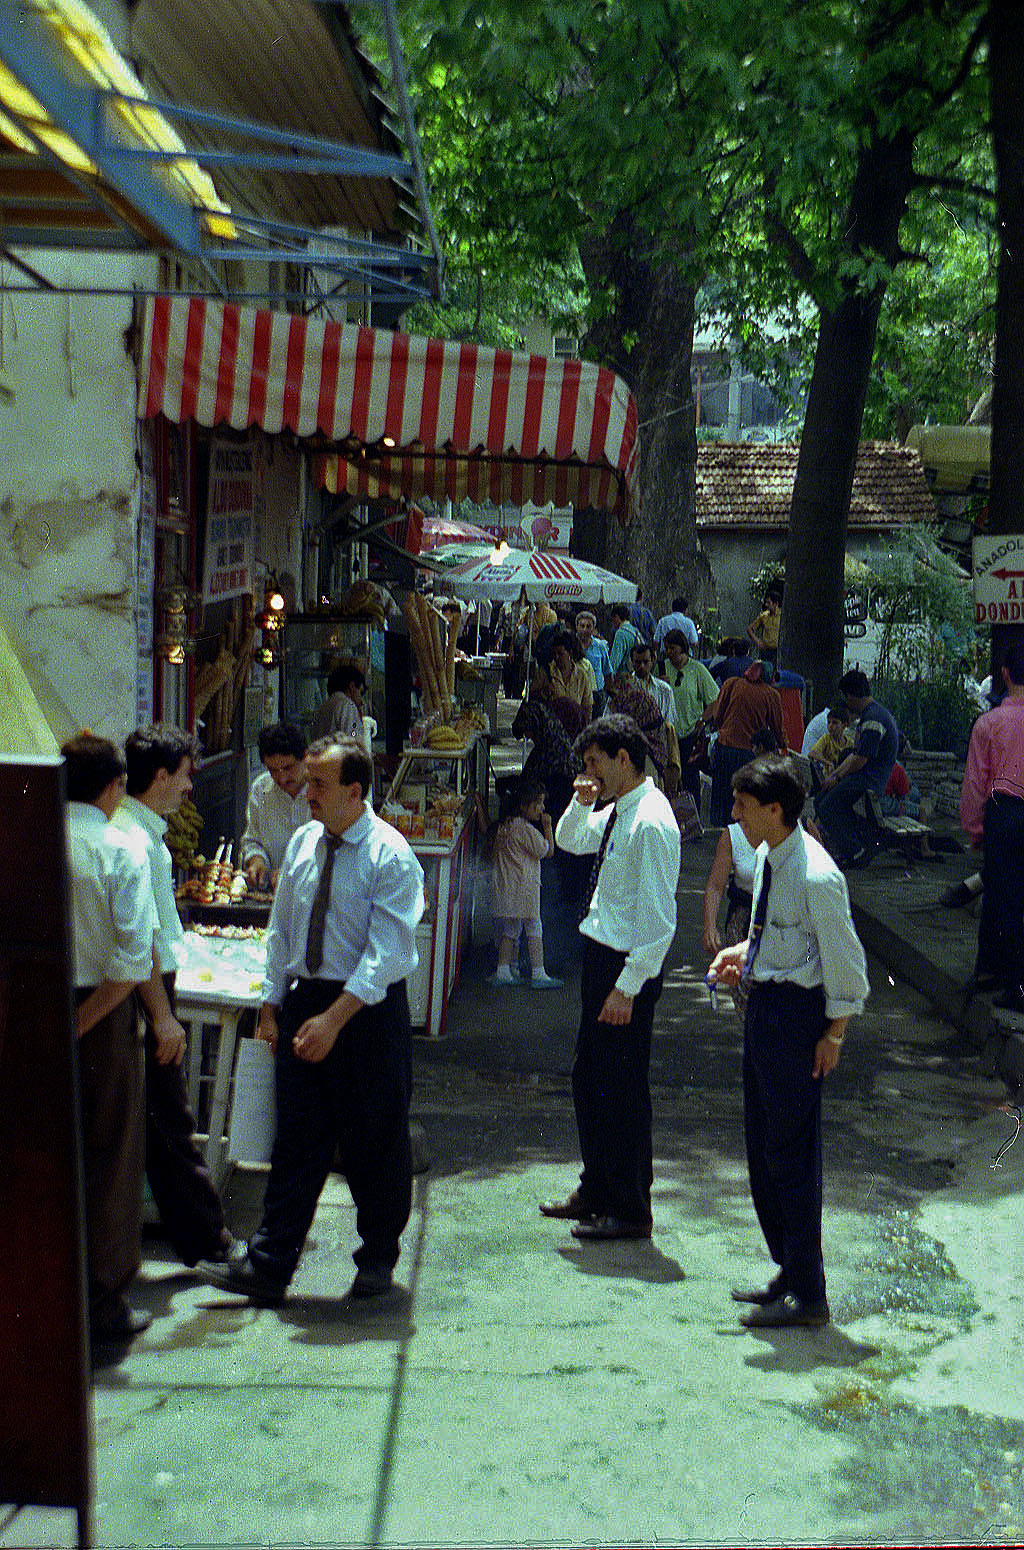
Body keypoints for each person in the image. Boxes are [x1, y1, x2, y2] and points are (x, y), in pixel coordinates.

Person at [196, 734, 425, 1302]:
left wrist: (334, 1021)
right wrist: (271, 1009)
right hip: (305, 1002)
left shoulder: (390, 855)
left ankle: (376, 1258)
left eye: (319, 783)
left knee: (375, 1138)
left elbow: (387, 954)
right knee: (297, 1139)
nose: (307, 792)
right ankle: (270, 1263)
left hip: (365, 1013)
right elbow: (280, 935)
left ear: (355, 791)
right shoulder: (303, 843)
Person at [708, 754, 868, 1329]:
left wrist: (835, 1035)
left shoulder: (818, 876)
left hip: (801, 1021)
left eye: (743, 807)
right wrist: (742, 959)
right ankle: (788, 1269)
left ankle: (809, 1292)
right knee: (764, 1150)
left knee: (792, 1158)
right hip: (766, 1009)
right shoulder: (767, 854)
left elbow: (847, 966)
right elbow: (771, 937)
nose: (735, 816)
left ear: (774, 810)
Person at [541, 715, 681, 1240]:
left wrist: (629, 985)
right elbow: (570, 840)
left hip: (627, 967)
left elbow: (659, 919)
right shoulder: (620, 810)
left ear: (624, 758)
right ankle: (597, 1185)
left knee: (622, 1088)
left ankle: (630, 1206)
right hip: (602, 956)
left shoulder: (651, 821)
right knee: (590, 1078)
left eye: (595, 763)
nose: (590, 773)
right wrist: (580, 799)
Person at [111, 724, 236, 1269]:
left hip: (150, 983)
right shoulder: (138, 843)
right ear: (160, 776)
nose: (191, 788)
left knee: (163, 1121)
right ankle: (210, 1242)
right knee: (171, 1119)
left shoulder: (144, 835)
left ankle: (201, 1237)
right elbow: (141, 943)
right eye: (186, 776)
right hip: (147, 987)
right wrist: (163, 1017)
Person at [63, 733, 157, 1352]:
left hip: (38, 1007)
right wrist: (79, 1025)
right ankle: (103, 1301)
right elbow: (131, 962)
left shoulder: (28, 834)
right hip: (99, 1016)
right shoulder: (123, 846)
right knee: (112, 1158)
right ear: (115, 786)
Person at [960, 638, 1024, 1014]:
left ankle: (1011, 983)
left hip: (1006, 813)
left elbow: (976, 784)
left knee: (1007, 900)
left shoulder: (989, 723)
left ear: (1003, 674)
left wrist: (976, 830)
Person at [814, 669, 899, 868]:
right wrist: (834, 775)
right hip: (861, 775)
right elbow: (854, 755)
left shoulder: (873, 719)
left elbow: (859, 760)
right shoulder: (870, 715)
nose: (844, 701)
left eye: (844, 696)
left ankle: (856, 851)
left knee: (827, 806)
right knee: (820, 800)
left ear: (850, 695)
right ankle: (853, 847)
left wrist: (836, 778)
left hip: (870, 778)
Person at [489, 776, 562, 989]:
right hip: (525, 888)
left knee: (510, 930)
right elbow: (546, 851)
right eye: (537, 803)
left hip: (507, 887)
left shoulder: (506, 825)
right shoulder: (525, 829)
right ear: (523, 806)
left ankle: (503, 972)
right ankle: (539, 973)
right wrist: (548, 827)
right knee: (534, 928)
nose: (542, 807)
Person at [705, 659, 786, 827]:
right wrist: (782, 744)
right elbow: (778, 728)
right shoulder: (771, 695)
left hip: (724, 746)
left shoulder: (731, 683)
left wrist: (725, 730)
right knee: (743, 795)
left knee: (722, 791)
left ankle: (720, 831)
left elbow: (717, 715)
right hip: (749, 752)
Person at [240, 722, 311, 888]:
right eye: (273, 770)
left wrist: (292, 873)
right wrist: (257, 860)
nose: (282, 778)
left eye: (288, 768)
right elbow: (252, 840)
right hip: (270, 897)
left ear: (305, 757)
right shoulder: (261, 789)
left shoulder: (322, 791)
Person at [662, 629, 719, 803]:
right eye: (667, 649)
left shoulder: (697, 669)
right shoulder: (662, 667)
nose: (669, 653)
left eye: (673, 648)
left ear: (683, 649)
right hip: (667, 736)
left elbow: (715, 699)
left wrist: (702, 721)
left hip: (690, 735)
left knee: (690, 781)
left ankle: (693, 821)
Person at [537, 630, 594, 720]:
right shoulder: (545, 672)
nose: (557, 657)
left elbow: (587, 707)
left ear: (570, 653)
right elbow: (532, 699)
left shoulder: (581, 675)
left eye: (560, 654)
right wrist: (543, 692)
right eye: (554, 654)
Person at [310, 661, 367, 744]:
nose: (361, 700)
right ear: (352, 686)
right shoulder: (347, 705)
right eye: (360, 692)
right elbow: (353, 739)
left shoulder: (323, 706)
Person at [575, 610, 613, 717]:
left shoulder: (600, 646)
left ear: (593, 629)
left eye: (588, 626)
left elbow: (608, 673)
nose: (585, 630)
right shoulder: (571, 645)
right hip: (577, 694)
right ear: (577, 627)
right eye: (582, 626)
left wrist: (607, 696)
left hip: (596, 695)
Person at [808, 706, 853, 781]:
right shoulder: (826, 739)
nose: (830, 726)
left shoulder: (850, 743)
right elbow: (812, 754)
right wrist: (827, 763)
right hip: (829, 778)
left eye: (835, 723)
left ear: (844, 725)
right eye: (829, 722)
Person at [746, 590, 782, 666]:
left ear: (776, 604)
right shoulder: (764, 616)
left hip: (778, 651)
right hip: (766, 651)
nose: (766, 605)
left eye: (769, 603)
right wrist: (758, 641)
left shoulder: (782, 616)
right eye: (766, 602)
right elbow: (749, 629)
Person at [607, 602, 642, 676]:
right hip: (634, 672)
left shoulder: (620, 633)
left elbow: (615, 659)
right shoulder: (634, 630)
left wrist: (610, 675)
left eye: (613, 619)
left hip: (624, 673)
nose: (612, 623)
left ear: (616, 617)